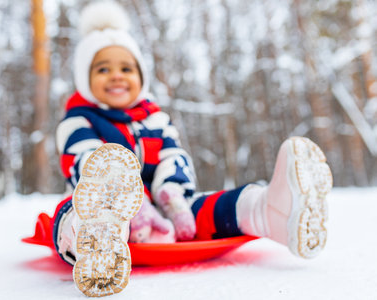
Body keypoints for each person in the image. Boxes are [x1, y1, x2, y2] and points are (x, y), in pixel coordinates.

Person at [50, 1, 333, 297]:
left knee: (204, 208)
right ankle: (94, 241)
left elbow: (174, 155)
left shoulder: (156, 119)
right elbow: (83, 158)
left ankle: (270, 209)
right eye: (103, 69)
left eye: (126, 68)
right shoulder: (78, 118)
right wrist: (128, 204)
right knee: (71, 212)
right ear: (85, 79)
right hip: (109, 209)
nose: (117, 75)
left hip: (165, 210)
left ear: (141, 77)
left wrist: (171, 195)